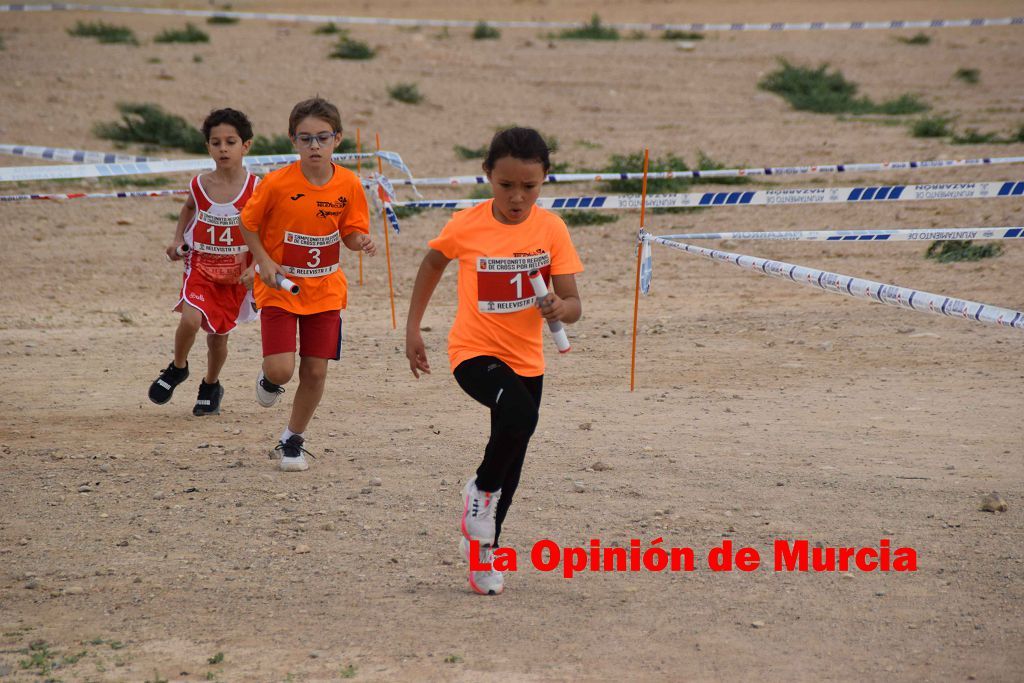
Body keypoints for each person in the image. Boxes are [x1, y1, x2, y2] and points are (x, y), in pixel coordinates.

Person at [405, 127, 584, 595]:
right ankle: (479, 494)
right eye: (506, 186)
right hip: (473, 354)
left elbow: (573, 302)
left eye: (529, 186)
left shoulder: (552, 229)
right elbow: (431, 264)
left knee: (513, 459)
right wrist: (412, 329)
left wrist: (560, 309)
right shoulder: (466, 224)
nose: (518, 197)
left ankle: (485, 555)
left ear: (545, 179)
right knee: (519, 418)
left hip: (528, 360)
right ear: (487, 175)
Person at [240, 96, 376, 472]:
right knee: (282, 370)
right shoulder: (277, 183)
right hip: (280, 287)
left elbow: (349, 231)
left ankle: (292, 439)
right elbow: (247, 223)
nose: (314, 146)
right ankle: (269, 380)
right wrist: (263, 261)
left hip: (326, 290)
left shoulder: (349, 184)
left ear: (338, 139)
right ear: (292, 140)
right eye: (305, 138)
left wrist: (359, 241)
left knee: (315, 372)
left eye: (322, 137)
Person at [148, 108, 259, 416]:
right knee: (190, 319)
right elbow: (187, 207)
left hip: (236, 275)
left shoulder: (256, 188)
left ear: (246, 145)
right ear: (208, 147)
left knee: (217, 338)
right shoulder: (200, 184)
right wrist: (176, 239)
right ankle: (177, 367)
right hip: (199, 266)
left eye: (231, 141)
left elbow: (269, 229)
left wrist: (258, 265)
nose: (223, 148)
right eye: (215, 142)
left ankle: (211, 384)